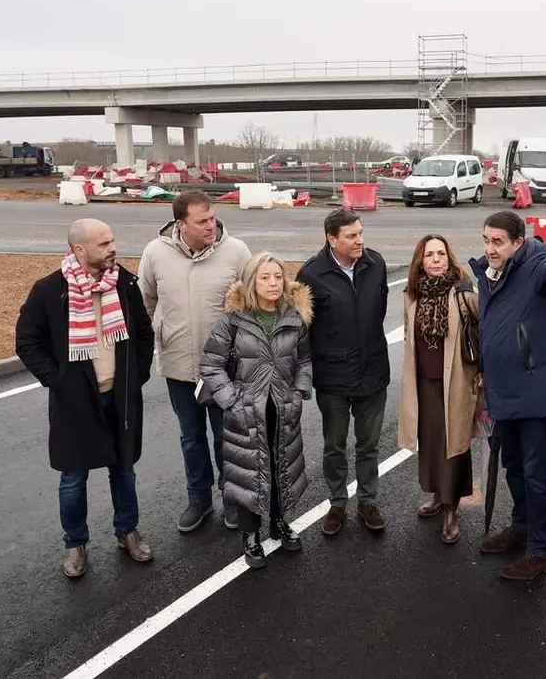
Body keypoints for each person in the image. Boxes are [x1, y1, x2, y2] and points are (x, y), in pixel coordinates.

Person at [15, 218, 155, 578]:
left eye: (112, 240)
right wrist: (58, 380)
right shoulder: (48, 290)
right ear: (79, 250)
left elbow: (142, 332)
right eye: (103, 243)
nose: (112, 248)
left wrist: (137, 375)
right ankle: (75, 544)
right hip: (75, 401)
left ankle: (128, 532)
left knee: (124, 472)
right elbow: (27, 341)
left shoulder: (124, 284)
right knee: (72, 479)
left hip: (120, 397)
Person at [469, 205, 546, 581]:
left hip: (534, 391)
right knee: (513, 466)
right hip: (504, 390)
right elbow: (491, 331)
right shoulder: (489, 276)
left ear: (518, 242)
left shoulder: (536, 267)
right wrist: (485, 372)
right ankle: (520, 527)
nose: (490, 248)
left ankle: (541, 551)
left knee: (536, 472)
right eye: (486, 240)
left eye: (498, 241)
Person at [138, 189, 252, 533]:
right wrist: (145, 350)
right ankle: (198, 500)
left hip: (225, 370)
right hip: (177, 366)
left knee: (226, 438)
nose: (210, 225)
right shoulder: (155, 253)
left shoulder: (237, 252)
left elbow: (254, 306)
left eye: (212, 217)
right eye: (201, 221)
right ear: (180, 224)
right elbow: (145, 303)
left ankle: (232, 499)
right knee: (191, 438)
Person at [198, 253, 313, 568]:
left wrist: (300, 391)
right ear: (251, 282)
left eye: (278, 276)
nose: (273, 283)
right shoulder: (232, 322)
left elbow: (304, 360)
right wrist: (232, 400)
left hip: (283, 409)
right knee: (250, 473)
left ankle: (279, 521)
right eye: (265, 277)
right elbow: (211, 364)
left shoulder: (293, 318)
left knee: (281, 467)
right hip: (246, 412)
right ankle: (250, 535)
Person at [295, 208, 391, 536]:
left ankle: (368, 501)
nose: (359, 240)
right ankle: (337, 503)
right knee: (334, 445)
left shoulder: (375, 265)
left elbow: (378, 312)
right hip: (334, 379)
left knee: (369, 445)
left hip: (373, 372)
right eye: (351, 236)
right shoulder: (311, 275)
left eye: (361, 233)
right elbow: (303, 332)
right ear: (331, 239)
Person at [397, 234, 481, 545]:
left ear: (449, 257)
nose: (436, 260)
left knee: (454, 445)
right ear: (421, 259)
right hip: (424, 381)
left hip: (455, 380)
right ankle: (436, 495)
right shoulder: (412, 292)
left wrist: (481, 372)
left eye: (441, 254)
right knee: (431, 442)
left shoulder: (462, 290)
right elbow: (408, 333)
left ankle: (451, 509)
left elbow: (482, 328)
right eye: (430, 254)